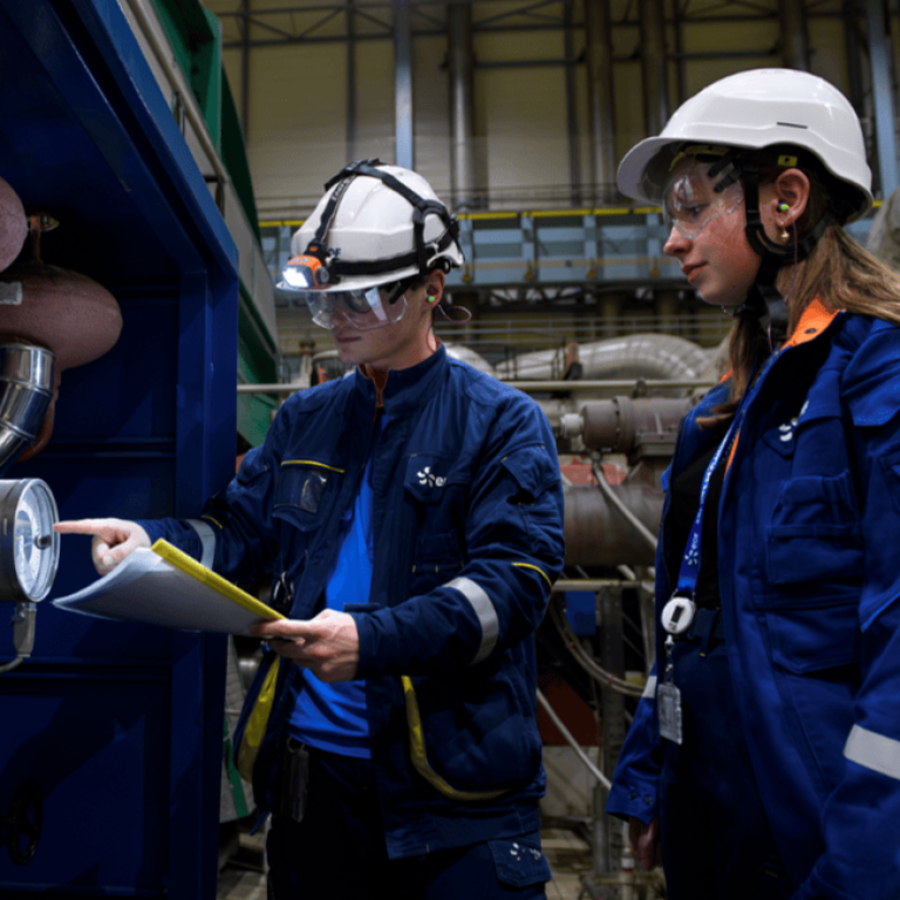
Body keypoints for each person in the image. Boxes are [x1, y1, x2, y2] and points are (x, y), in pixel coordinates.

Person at [55, 160, 565, 898]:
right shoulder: (306, 418)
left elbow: (511, 590)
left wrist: (374, 642)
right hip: (310, 788)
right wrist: (151, 543)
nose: (341, 319)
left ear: (431, 287)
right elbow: (237, 533)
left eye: (363, 298)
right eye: (328, 301)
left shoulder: (500, 423)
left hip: (452, 802)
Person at [605, 68, 900, 900]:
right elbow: (686, 617)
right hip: (711, 813)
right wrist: (647, 775)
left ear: (786, 198)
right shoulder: (723, 417)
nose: (673, 239)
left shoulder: (878, 376)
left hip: (819, 836)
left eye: (693, 203)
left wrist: (865, 865)